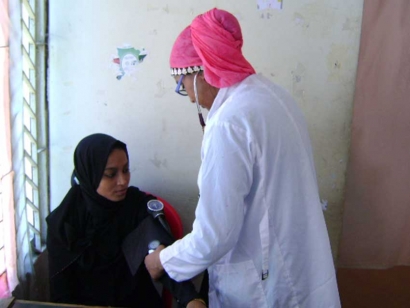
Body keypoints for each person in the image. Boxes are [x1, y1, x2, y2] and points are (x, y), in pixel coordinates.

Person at [145, 8, 341, 308]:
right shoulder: (271, 95)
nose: (191, 97)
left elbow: (215, 235)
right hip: (294, 259)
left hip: (266, 279)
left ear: (200, 73)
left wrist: (163, 260)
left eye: (181, 84)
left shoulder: (229, 123)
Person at [46, 133, 206, 308]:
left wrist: (192, 299)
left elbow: (159, 255)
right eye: (110, 174)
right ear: (89, 175)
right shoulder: (64, 225)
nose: (123, 181)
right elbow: (61, 295)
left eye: (125, 170)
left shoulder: (135, 207)